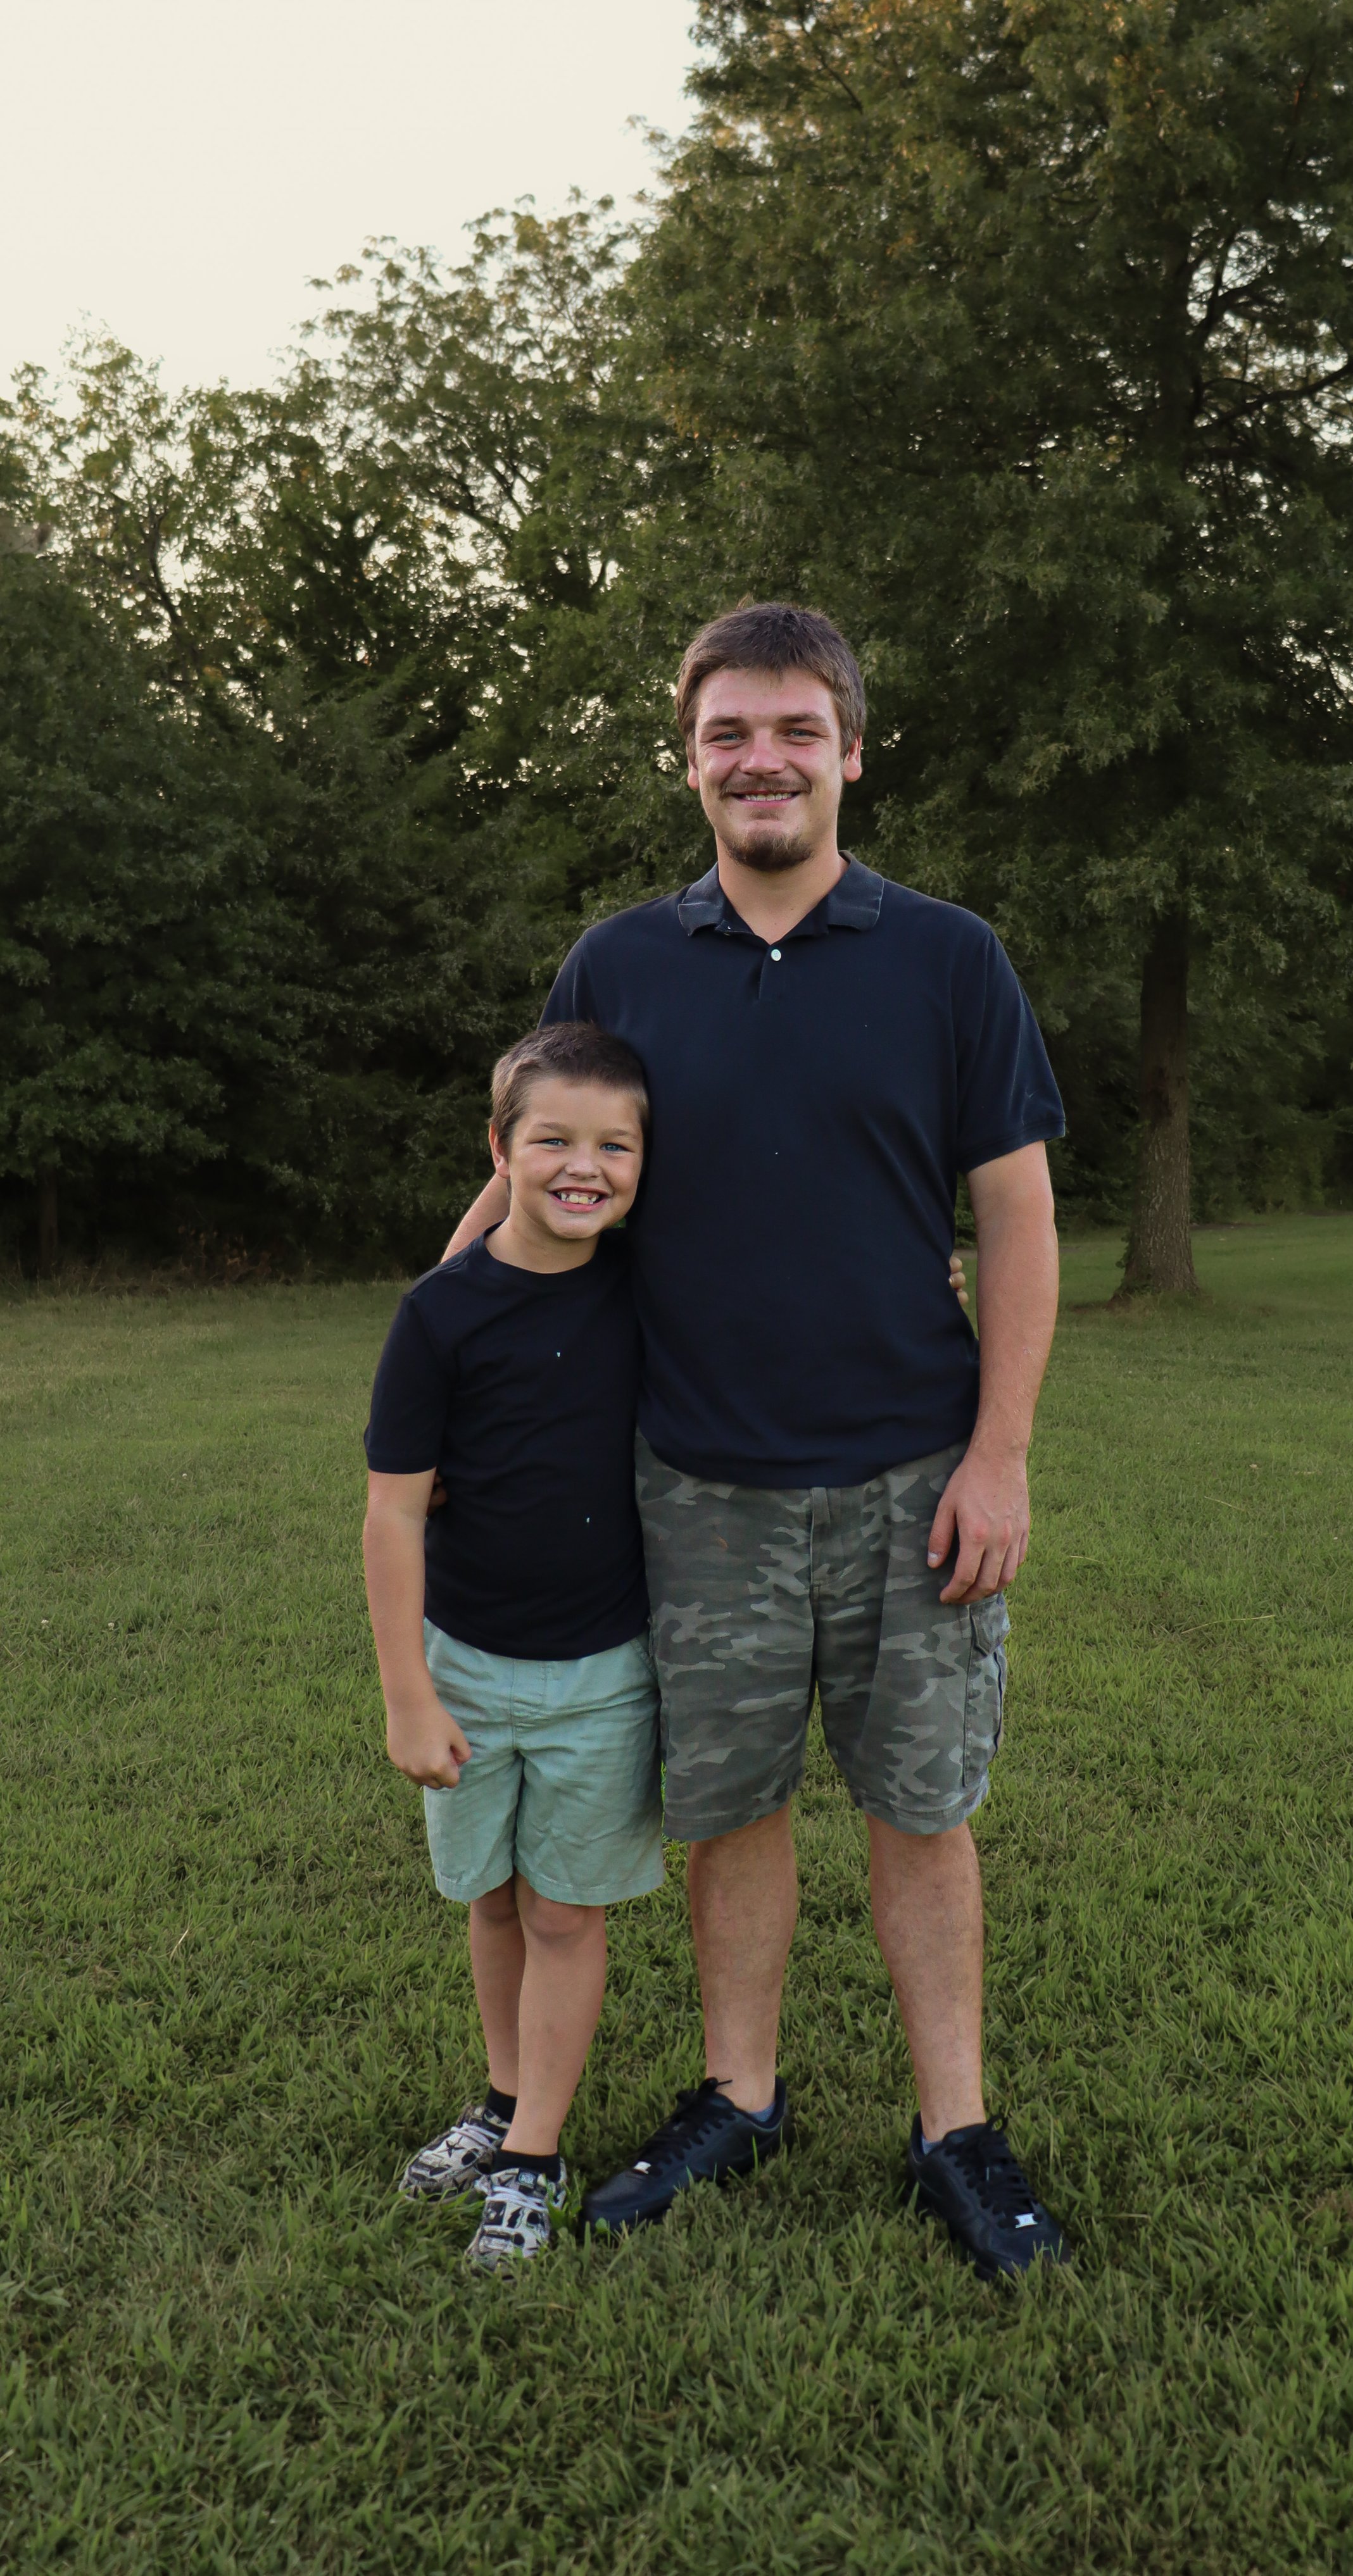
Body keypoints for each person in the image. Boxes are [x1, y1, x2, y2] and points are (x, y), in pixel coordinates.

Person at [446, 602, 1069, 2278]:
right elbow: (540, 1173)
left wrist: (998, 1450)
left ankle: (955, 2126)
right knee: (728, 1808)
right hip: (695, 1480)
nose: (762, 757)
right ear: (693, 757)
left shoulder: (948, 957)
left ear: (850, 750)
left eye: (796, 728)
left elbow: (1012, 1217)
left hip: (909, 1475)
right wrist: (437, 1351)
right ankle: (739, 2092)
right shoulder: (621, 963)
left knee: (918, 1809)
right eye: (730, 731)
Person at [363, 1022, 661, 2272]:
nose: (582, 1166)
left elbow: (792, 1295)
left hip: (606, 1674)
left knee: (561, 1916)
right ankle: (497, 2101)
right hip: (467, 1668)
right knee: (490, 1899)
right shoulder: (438, 1314)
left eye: (613, 1145)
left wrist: (933, 1285)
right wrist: (407, 1696)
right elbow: (389, 1509)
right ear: (499, 1151)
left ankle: (533, 2152)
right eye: (551, 1140)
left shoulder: (652, 1285)